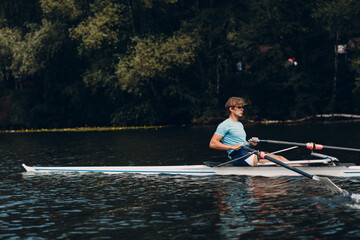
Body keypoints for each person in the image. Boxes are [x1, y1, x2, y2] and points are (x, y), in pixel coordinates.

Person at [209, 97, 289, 166]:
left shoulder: (239, 124)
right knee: (279, 162)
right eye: (239, 107)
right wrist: (232, 147)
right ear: (231, 109)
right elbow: (213, 143)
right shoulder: (225, 125)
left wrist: (251, 144)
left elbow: (242, 143)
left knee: (280, 158)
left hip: (247, 152)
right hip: (238, 156)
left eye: (242, 107)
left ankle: (300, 172)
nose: (242, 109)